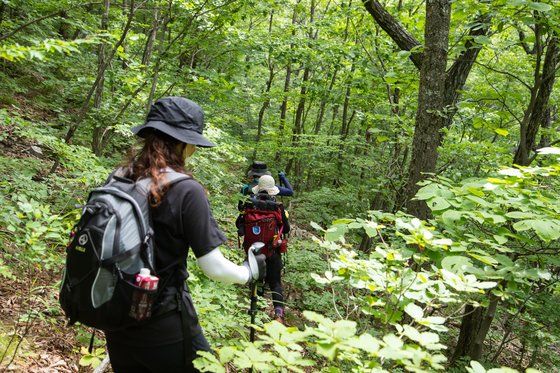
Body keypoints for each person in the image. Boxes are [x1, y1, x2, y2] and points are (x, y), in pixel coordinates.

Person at [103, 96, 266, 373]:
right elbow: (213, 267)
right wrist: (248, 273)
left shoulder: (120, 176)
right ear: (184, 142)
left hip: (116, 315)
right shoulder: (185, 190)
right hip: (163, 320)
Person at [236, 174, 290, 323]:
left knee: (256, 279)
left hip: (254, 251)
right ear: (272, 191)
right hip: (272, 250)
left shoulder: (249, 205)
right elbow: (286, 229)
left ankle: (256, 312)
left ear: (257, 189)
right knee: (275, 282)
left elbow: (239, 227)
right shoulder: (277, 207)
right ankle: (278, 313)